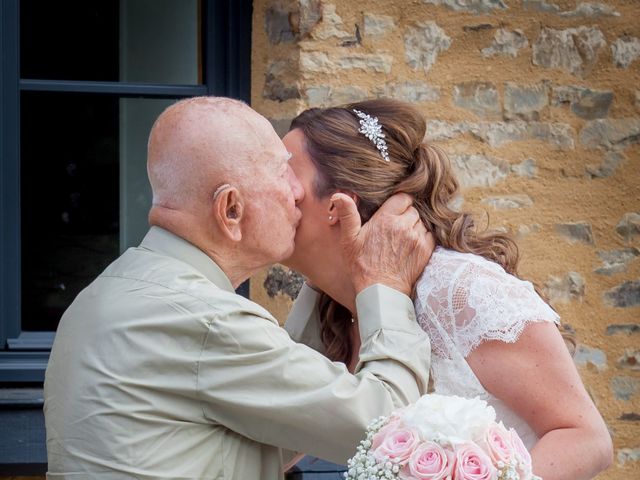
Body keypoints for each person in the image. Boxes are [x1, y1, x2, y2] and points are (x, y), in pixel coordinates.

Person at [43, 97, 436, 479]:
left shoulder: (102, 295)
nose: (297, 191)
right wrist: (383, 282)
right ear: (231, 209)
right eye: (281, 173)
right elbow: (389, 425)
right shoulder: (206, 320)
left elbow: (276, 428)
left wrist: (327, 272)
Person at [283, 98, 613, 480]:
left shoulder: (461, 290)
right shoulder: (331, 305)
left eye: (284, 176)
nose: (267, 188)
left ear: (338, 207)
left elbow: (587, 438)